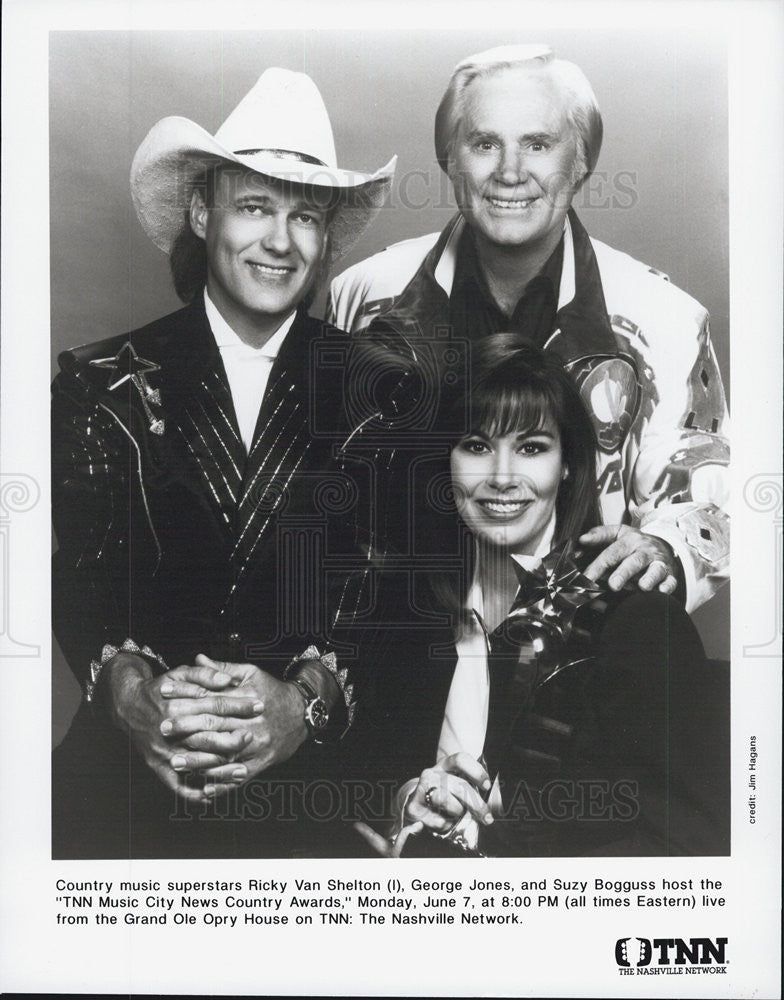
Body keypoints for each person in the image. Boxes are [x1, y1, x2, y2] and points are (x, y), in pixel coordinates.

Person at [51, 67, 395, 858]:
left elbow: (394, 592)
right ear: (202, 213)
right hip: (126, 780)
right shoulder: (99, 381)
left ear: (325, 236)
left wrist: (301, 702)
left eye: (305, 216)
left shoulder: (384, 393)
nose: (280, 240)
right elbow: (85, 572)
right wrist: (137, 697)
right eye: (254, 207)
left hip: (316, 783)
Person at [328, 44, 729, 615]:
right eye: (485, 143)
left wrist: (665, 546)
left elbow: (715, 486)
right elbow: (326, 477)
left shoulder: (666, 317)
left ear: (581, 162)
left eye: (538, 144)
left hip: (581, 657)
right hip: (396, 648)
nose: (510, 172)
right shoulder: (363, 295)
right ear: (449, 159)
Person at [350, 334, 729, 857]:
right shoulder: (406, 610)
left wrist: (515, 810)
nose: (502, 478)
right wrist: (406, 803)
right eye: (477, 446)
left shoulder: (635, 618)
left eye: (531, 448)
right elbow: (358, 783)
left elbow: (692, 846)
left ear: (568, 464)